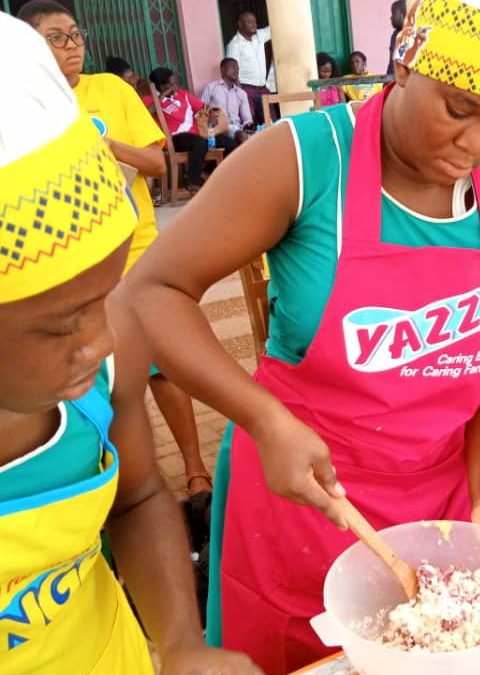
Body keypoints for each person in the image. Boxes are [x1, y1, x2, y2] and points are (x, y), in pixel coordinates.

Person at [125, 0, 480, 671]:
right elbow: (150, 292)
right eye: (456, 109)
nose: (476, 145)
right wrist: (261, 417)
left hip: (440, 516)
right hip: (299, 507)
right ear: (405, 60)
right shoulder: (303, 160)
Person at [0, 13, 262, 675]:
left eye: (105, 297)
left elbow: (140, 495)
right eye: (64, 322)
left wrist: (179, 640)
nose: (106, 339)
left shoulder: (101, 368)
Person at [19, 1, 215, 499]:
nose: (73, 46)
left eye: (76, 35)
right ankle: (115, 490)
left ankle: (195, 474)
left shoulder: (111, 91)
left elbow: (156, 162)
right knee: (87, 387)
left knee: (161, 370)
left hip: (137, 256)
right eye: (56, 38)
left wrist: (107, 150)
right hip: (64, 276)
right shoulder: (20, 105)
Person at [145, 67, 237, 189]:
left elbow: (204, 107)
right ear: (162, 86)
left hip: (198, 136)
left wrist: (211, 114)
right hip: (175, 139)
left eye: (175, 83)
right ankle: (193, 181)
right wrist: (163, 96)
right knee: (199, 143)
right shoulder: (150, 100)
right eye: (172, 85)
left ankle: (209, 173)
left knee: (229, 143)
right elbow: (148, 112)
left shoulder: (183, 95)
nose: (176, 87)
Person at [225, 10, 277, 124]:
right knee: (250, 122)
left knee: (271, 122)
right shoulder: (234, 45)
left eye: (255, 22)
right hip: (246, 88)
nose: (254, 25)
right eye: (249, 22)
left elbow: (276, 27)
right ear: (240, 24)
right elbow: (232, 71)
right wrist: (240, 93)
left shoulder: (259, 35)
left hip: (263, 88)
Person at [202, 58, 253, 145]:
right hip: (218, 128)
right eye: (233, 67)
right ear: (223, 70)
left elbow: (247, 119)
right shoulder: (211, 88)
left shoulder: (241, 93)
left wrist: (250, 129)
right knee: (241, 135)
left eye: (237, 68)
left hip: (236, 128)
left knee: (257, 135)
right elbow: (201, 110)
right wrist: (209, 117)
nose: (236, 70)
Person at [386, 0, 407, 76]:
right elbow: (392, 63)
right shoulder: (395, 35)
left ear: (402, 16)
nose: (391, 17)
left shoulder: (410, 34)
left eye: (393, 14)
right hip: (394, 79)